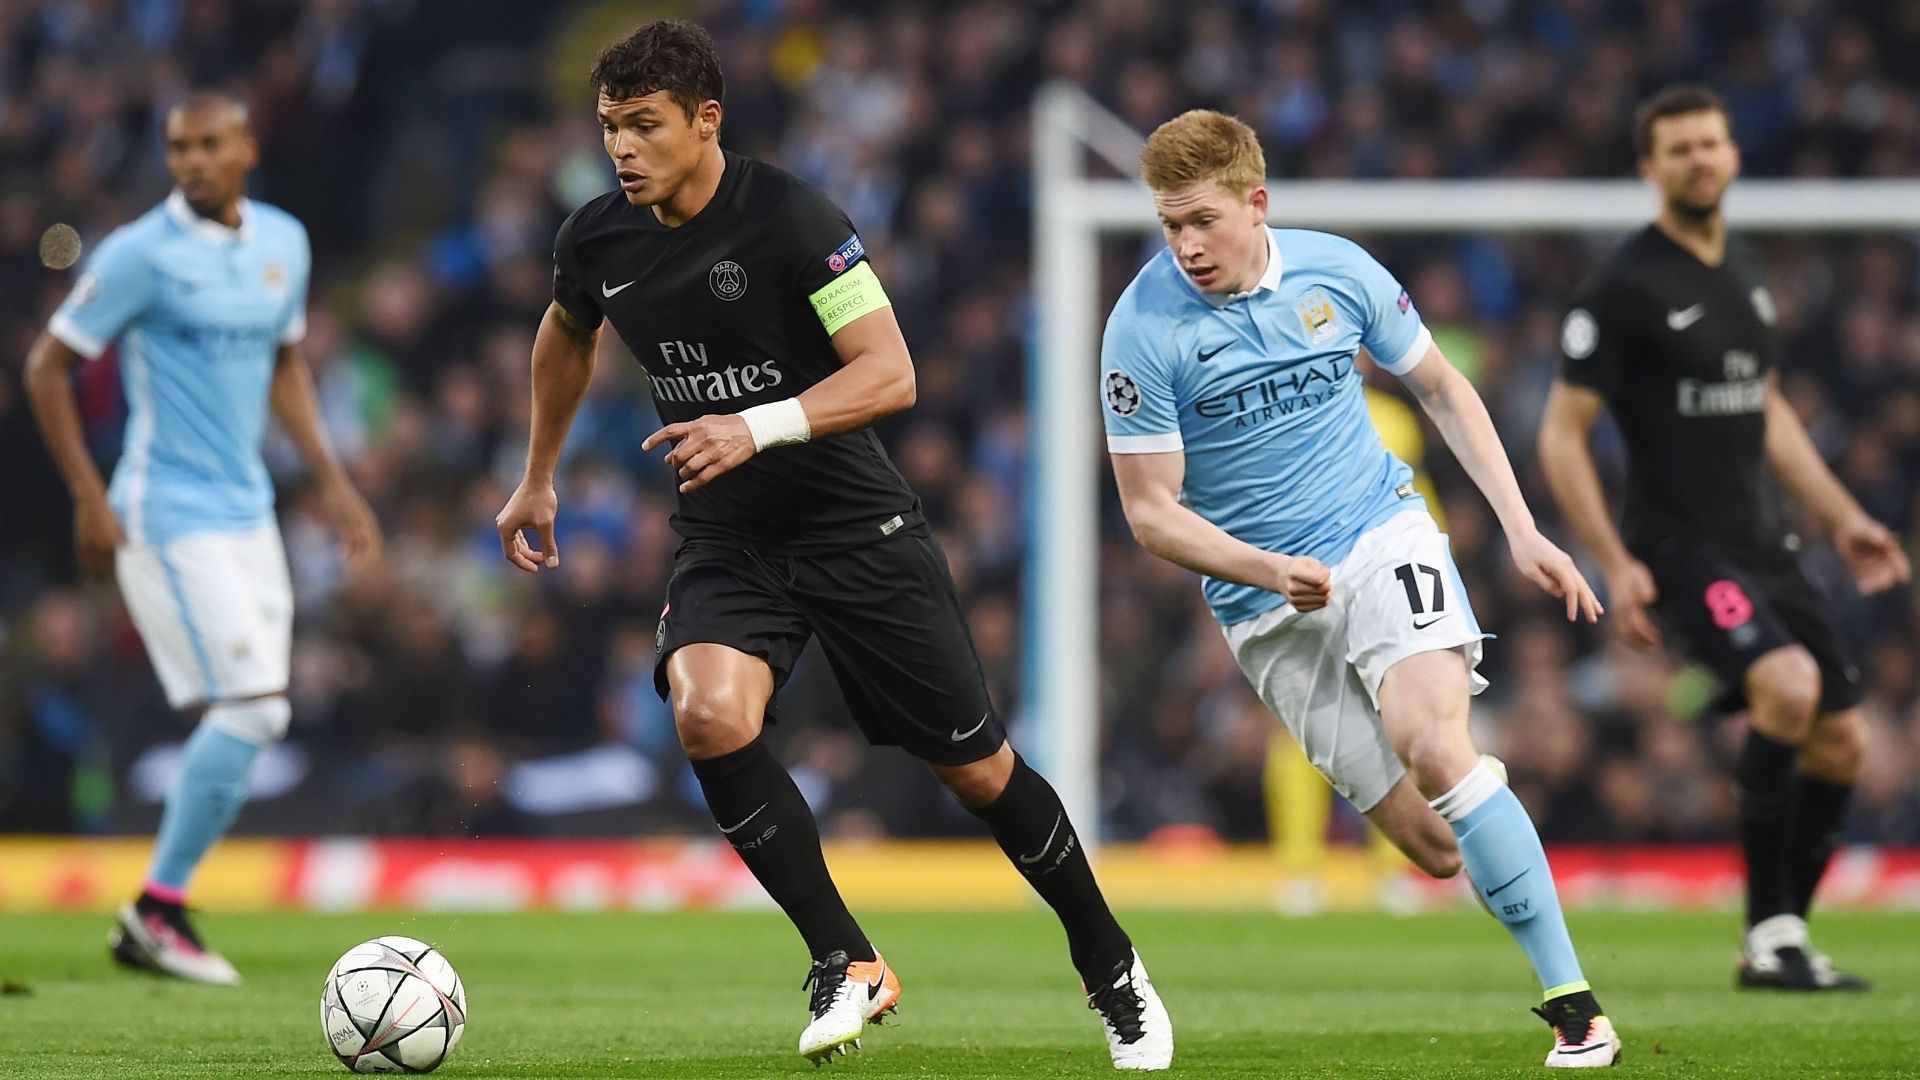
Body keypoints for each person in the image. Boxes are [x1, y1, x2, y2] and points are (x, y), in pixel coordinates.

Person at [493, 21, 1171, 1069]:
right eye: (609, 128)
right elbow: (564, 331)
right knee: (708, 714)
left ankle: (1109, 963)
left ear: (704, 121)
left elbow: (891, 371)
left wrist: (754, 424)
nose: (621, 148)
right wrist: (537, 476)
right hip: (731, 540)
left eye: (643, 126)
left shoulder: (795, 217)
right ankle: (846, 958)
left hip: (858, 531)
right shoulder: (598, 239)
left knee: (979, 772)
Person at [1101, 109, 1620, 1068]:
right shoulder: (1140, 329)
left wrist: (1518, 525)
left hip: (1378, 530)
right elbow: (1150, 514)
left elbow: (1445, 388)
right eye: (1170, 225)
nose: (1186, 245)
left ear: (1257, 204)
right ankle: (1493, 838)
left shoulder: (1339, 271)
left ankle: (1575, 1007)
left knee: (1433, 741)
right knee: (1430, 847)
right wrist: (1264, 570)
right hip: (1266, 603)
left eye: (1203, 220)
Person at [1537, 85, 1910, 991]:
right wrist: (1617, 562)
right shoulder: (1623, 288)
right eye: (1680, 149)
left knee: (1843, 745)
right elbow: (1561, 432)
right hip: (1681, 547)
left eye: (1711, 143)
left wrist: (1843, 517)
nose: (1700, 159)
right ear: (1650, 169)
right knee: (1788, 687)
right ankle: (1769, 935)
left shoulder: (1745, 271)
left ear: (1734, 156)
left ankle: (1778, 936)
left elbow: (1768, 411)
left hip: (1767, 544)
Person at [23, 92, 380, 984]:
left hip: (249, 510)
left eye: (209, 144)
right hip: (165, 509)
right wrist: (88, 498)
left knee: (263, 711)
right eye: (178, 146)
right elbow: (47, 366)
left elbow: (285, 360)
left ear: (247, 147)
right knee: (255, 707)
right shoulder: (139, 253)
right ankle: (157, 909)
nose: (191, 160)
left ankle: (159, 907)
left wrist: (334, 483)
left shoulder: (282, 244)